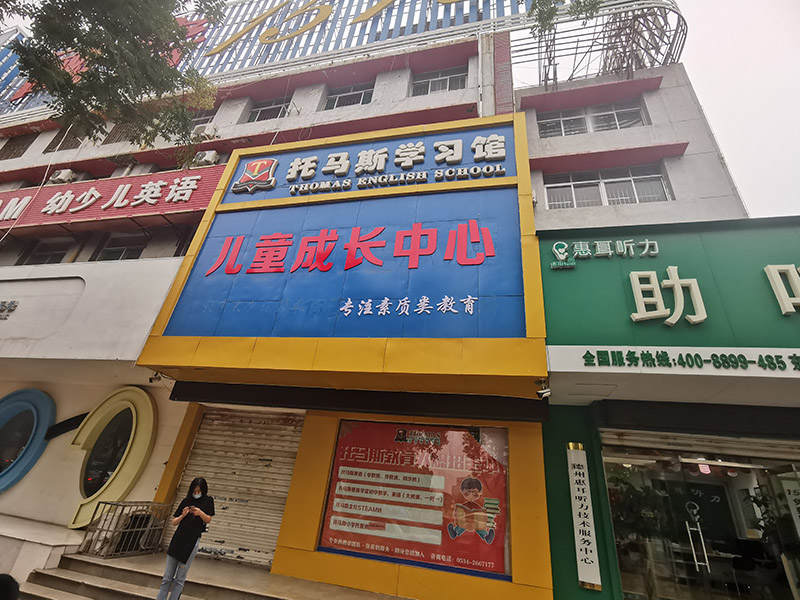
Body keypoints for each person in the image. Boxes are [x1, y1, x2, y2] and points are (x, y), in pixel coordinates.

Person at [157, 477, 214, 600]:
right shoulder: (186, 501)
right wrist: (183, 515)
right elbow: (174, 522)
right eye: (194, 491)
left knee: (180, 578)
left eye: (199, 491)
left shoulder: (208, 501)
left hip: (191, 541)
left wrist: (200, 513)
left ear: (203, 490)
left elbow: (208, 519)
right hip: (178, 539)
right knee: (167, 577)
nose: (196, 493)